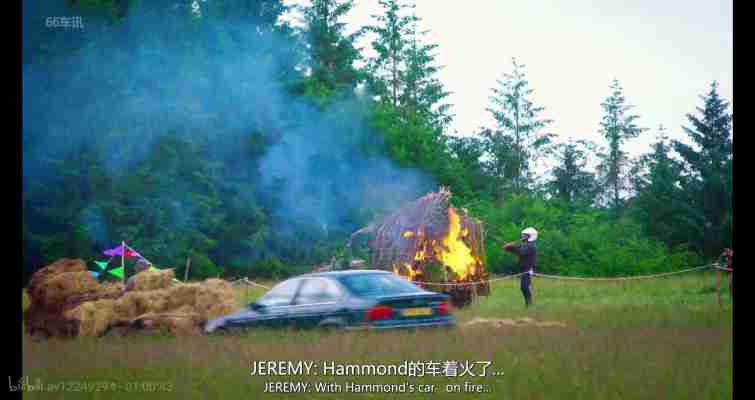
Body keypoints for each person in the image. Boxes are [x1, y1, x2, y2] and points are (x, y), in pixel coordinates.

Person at [503, 227, 538, 307]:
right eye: (523, 235)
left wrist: (513, 246)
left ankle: (529, 303)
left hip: (528, 270)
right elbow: (518, 251)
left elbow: (522, 252)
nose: (522, 236)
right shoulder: (525, 245)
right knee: (524, 287)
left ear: (530, 236)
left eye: (524, 235)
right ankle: (529, 304)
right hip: (523, 270)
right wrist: (508, 247)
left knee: (524, 287)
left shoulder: (531, 246)